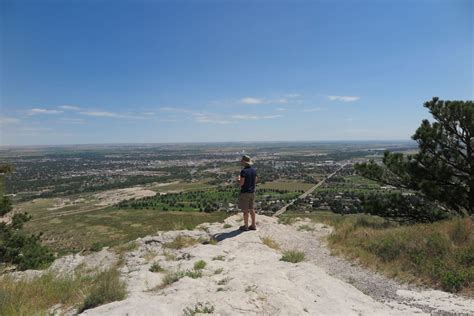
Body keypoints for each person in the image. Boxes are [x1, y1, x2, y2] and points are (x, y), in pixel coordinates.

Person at [237, 155, 257, 231]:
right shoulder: (254, 170)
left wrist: (238, 179)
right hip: (252, 192)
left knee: (245, 211)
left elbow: (241, 183)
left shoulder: (243, 171)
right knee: (252, 209)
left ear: (244, 162)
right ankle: (253, 225)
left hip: (245, 192)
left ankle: (245, 227)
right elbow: (255, 180)